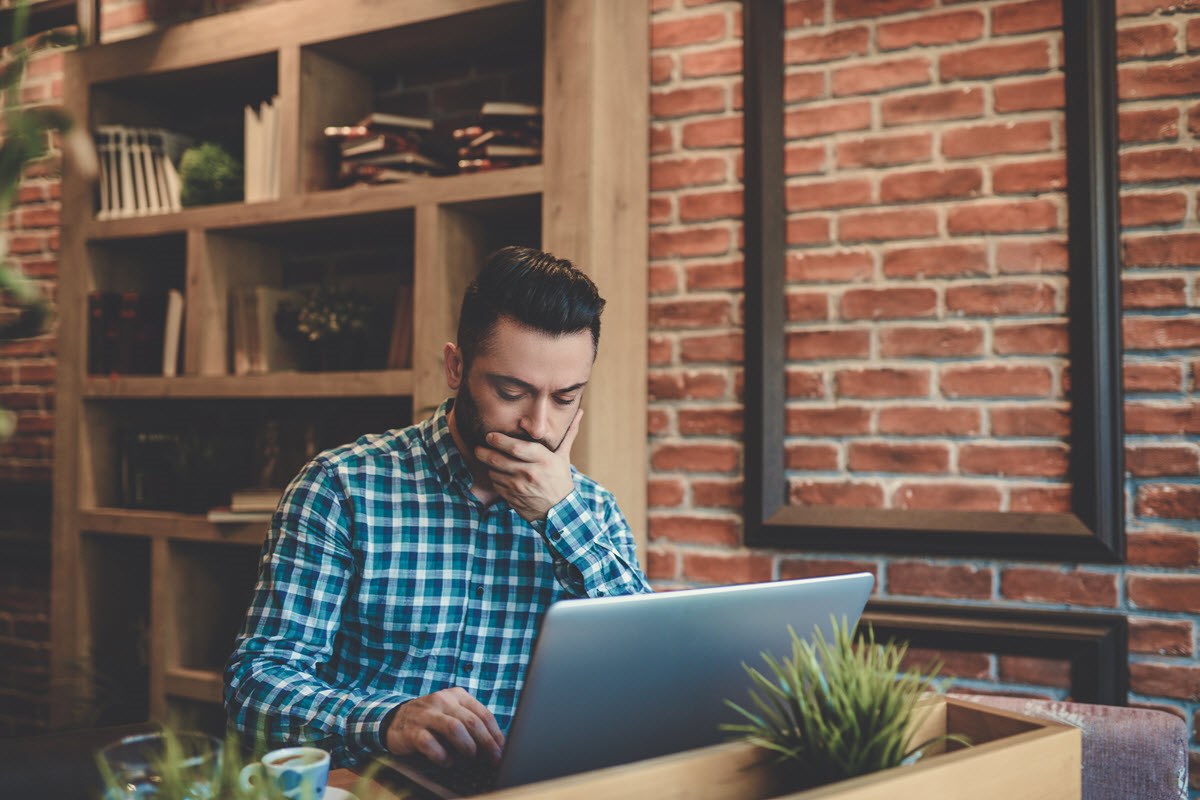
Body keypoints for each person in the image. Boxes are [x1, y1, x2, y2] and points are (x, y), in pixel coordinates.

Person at [224, 246, 652, 770]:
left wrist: (559, 514)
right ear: (456, 367)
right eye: (512, 391)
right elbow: (255, 688)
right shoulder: (342, 488)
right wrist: (388, 721)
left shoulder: (594, 514)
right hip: (376, 784)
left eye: (564, 398)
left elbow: (647, 679)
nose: (539, 426)